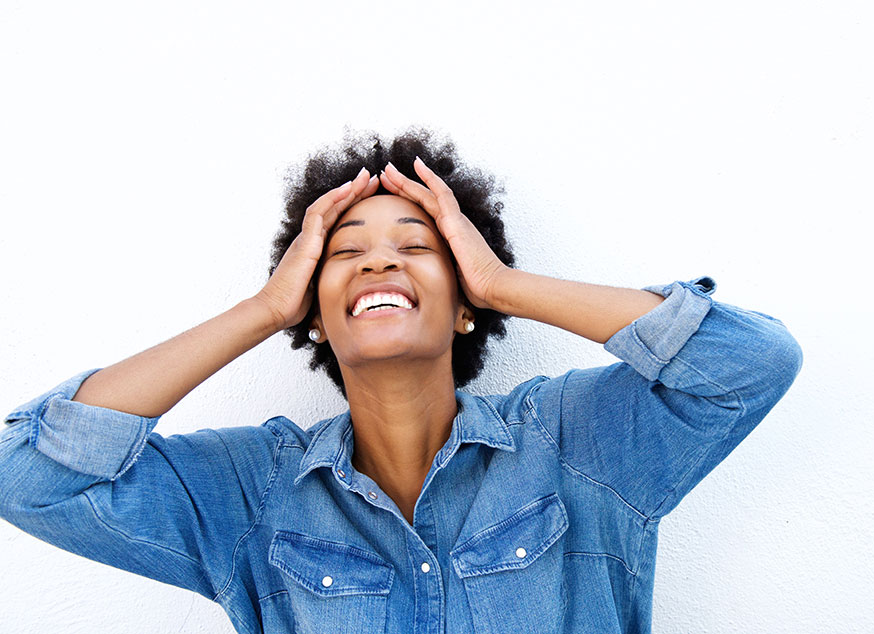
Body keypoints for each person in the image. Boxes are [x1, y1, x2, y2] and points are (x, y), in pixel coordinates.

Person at [0, 127, 803, 634]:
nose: (379, 259)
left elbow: (749, 365)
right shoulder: (252, 496)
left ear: (464, 304)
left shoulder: (575, 445)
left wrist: (504, 283)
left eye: (418, 245)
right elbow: (26, 476)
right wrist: (261, 308)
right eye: (343, 252)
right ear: (313, 312)